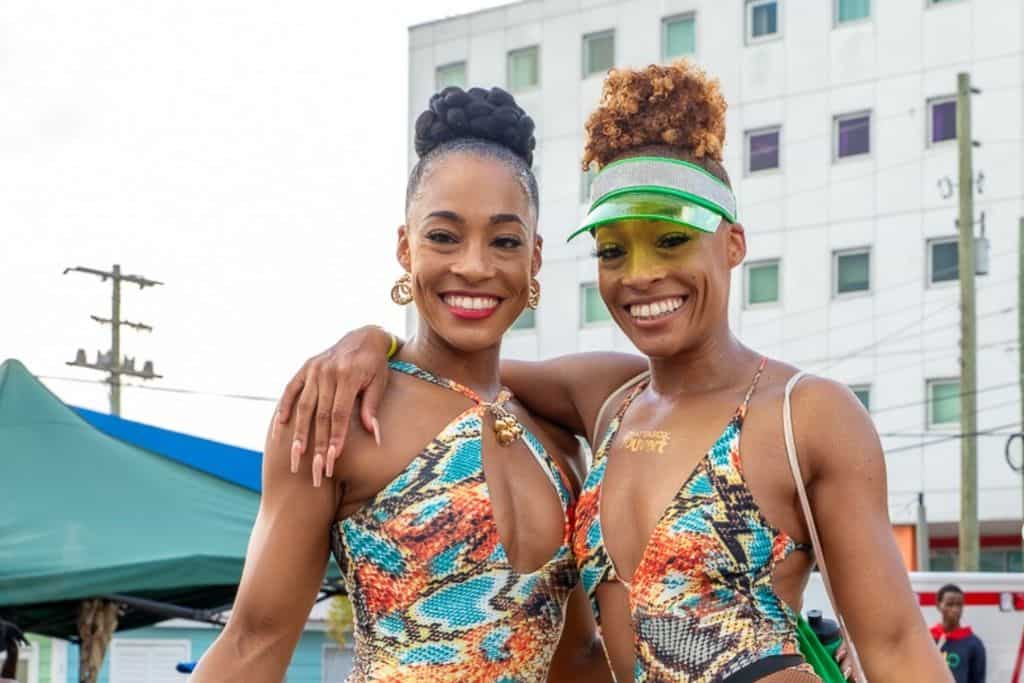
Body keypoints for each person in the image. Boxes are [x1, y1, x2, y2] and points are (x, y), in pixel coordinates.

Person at [277, 61, 952, 682]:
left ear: (734, 243)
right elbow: (464, 361)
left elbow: (895, 645)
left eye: (671, 239)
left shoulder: (804, 411)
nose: (642, 275)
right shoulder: (609, 400)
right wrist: (369, 343)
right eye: (613, 249)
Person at [190, 86, 610, 682]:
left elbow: (582, 659)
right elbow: (253, 644)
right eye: (443, 236)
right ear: (404, 247)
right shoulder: (338, 414)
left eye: (504, 241)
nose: (473, 265)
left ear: (535, 259)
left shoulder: (561, 440)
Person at [931, 584, 986, 683]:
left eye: (959, 605)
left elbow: (978, 679)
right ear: (938, 606)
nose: (955, 609)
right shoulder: (928, 639)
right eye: (950, 604)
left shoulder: (974, 644)